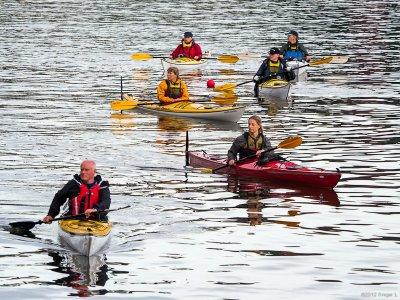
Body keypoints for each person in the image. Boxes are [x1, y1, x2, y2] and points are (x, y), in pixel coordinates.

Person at [42, 160, 111, 223]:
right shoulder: (73, 184)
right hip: (73, 219)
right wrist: (51, 215)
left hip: (96, 220)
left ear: (94, 171)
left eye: (86, 170)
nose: (83, 172)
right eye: (81, 169)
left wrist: (95, 210)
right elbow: (58, 197)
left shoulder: (102, 186)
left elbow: (106, 202)